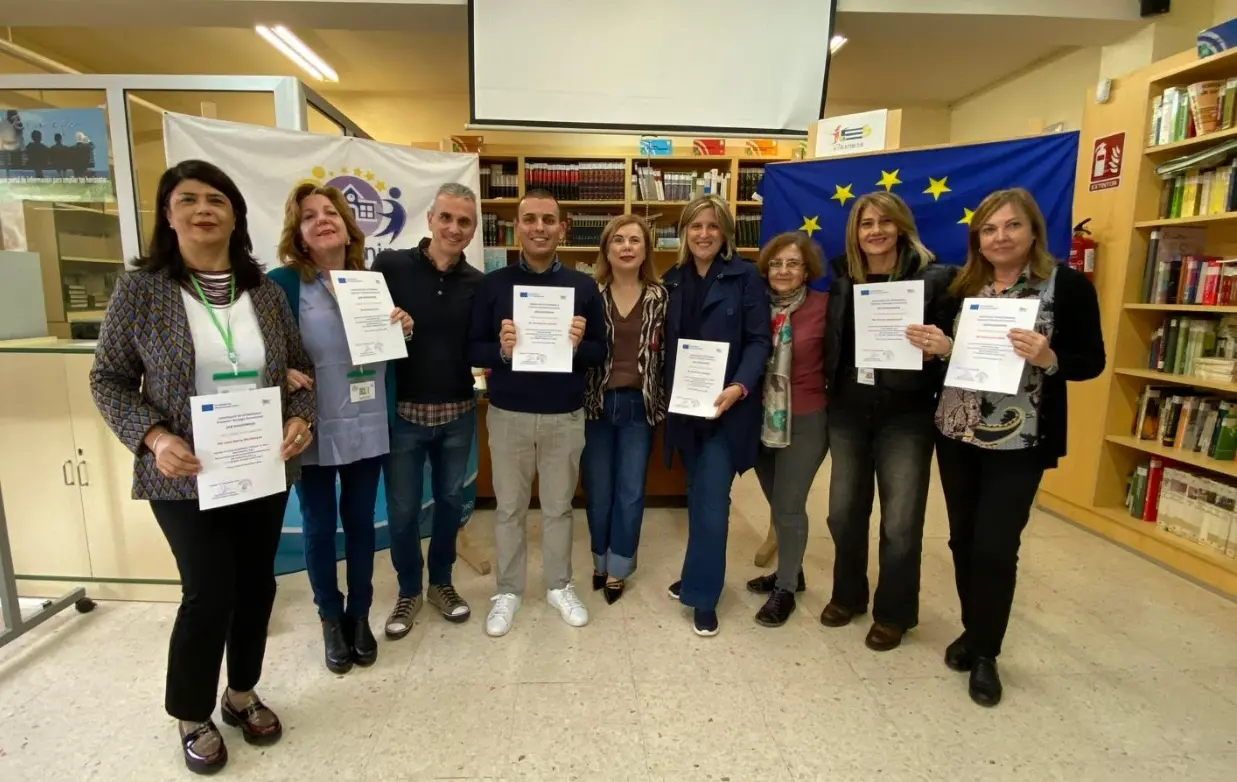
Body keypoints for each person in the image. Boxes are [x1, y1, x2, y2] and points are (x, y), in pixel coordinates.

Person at [89, 160, 315, 775]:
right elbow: (108, 380)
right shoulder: (142, 291)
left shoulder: (264, 292)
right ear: (168, 215)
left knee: (257, 585)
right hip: (184, 471)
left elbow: (298, 371)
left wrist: (301, 420)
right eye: (187, 199)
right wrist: (153, 437)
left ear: (235, 214)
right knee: (208, 591)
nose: (203, 209)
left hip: (260, 465)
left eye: (216, 199)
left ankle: (241, 693)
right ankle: (191, 712)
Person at [917, 188, 1104, 707]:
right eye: (990, 228)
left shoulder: (1065, 285)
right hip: (957, 431)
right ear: (977, 238)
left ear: (1033, 231)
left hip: (1021, 439)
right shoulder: (961, 287)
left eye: (1012, 226)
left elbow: (1091, 361)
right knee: (962, 540)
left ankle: (986, 654)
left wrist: (1049, 357)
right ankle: (973, 629)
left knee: (996, 546)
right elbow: (952, 353)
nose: (1001, 237)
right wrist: (941, 349)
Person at [269, 183, 412, 675]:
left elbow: (385, 348)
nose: (322, 220)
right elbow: (258, 347)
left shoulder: (369, 283)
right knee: (318, 524)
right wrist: (279, 370)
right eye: (309, 216)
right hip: (310, 422)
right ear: (299, 234)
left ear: (349, 228)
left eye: (330, 212)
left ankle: (359, 614)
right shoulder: (282, 284)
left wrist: (402, 325)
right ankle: (329, 616)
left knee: (360, 522)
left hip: (366, 420)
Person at [820, 191, 957, 652]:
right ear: (855, 233)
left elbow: (952, 345)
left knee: (900, 521)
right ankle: (848, 595)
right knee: (843, 512)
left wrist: (937, 348)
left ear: (901, 227)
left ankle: (894, 613)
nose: (875, 231)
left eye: (884, 222)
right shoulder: (843, 276)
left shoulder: (935, 280)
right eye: (866, 224)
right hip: (848, 408)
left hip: (906, 412)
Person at [467, 188, 607, 637]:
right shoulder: (494, 284)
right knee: (508, 508)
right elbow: (473, 348)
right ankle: (508, 590)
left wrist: (578, 344)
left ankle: (558, 585)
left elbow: (600, 352)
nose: (539, 228)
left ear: (562, 228)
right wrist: (502, 351)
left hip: (564, 415)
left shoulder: (583, 287)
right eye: (530, 219)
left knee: (559, 508)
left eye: (549, 220)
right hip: (508, 413)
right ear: (517, 227)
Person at [372, 183, 483, 635]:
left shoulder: (478, 283)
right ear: (431, 219)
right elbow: (366, 330)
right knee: (401, 510)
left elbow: (480, 344)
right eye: (447, 217)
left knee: (450, 503)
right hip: (403, 413)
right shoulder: (390, 266)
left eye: (464, 222)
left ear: (473, 230)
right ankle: (407, 591)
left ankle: (441, 583)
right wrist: (394, 327)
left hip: (458, 411)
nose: (454, 228)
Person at [663, 195, 771, 637]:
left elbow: (759, 341)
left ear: (725, 233)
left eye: (712, 226)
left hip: (728, 410)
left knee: (711, 501)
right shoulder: (672, 279)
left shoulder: (746, 277)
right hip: (686, 410)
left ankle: (704, 596)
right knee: (698, 496)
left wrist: (740, 386)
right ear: (684, 233)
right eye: (695, 226)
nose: (704, 234)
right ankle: (697, 573)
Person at [581, 214, 667, 605]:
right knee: (598, 489)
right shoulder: (590, 294)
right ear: (607, 248)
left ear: (646, 250)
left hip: (639, 406)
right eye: (619, 240)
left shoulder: (661, 297)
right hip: (595, 406)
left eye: (635, 240)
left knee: (630, 491)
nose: (627, 247)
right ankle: (599, 559)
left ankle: (619, 566)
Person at [744, 232, 829, 627]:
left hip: (807, 418)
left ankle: (786, 590)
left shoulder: (826, 307)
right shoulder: (756, 305)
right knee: (775, 500)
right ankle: (792, 571)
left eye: (792, 263)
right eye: (776, 263)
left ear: (806, 270)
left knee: (789, 504)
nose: (783, 270)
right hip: (759, 417)